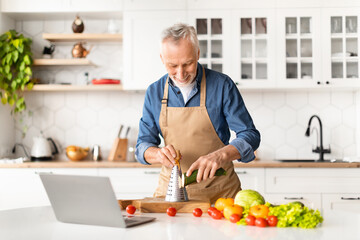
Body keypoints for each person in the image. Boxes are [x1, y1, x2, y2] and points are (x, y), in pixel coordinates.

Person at [135, 23, 260, 203]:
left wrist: (221, 155)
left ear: (198, 54)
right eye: (172, 65)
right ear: (162, 59)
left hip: (221, 195)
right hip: (171, 195)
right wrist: (157, 154)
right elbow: (142, 145)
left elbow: (250, 135)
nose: (180, 73)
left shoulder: (222, 86)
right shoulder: (154, 92)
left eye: (188, 63)